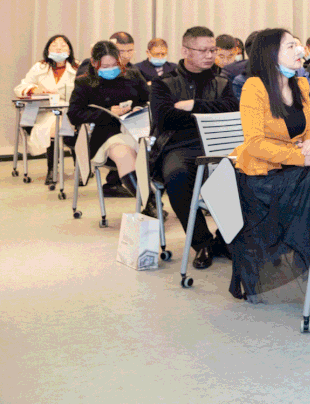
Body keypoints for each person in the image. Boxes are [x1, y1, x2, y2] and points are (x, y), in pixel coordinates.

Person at [228, 28, 310, 307]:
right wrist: (300, 157)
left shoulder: (300, 85)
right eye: (290, 46)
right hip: (263, 177)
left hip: (294, 170)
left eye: (298, 44)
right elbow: (254, 144)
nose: (300, 51)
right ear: (270, 55)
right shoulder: (254, 88)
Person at [148, 26, 238, 264]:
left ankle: (224, 240)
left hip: (218, 144)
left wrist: (193, 106)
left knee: (246, 176)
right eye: (203, 50)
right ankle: (201, 242)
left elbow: (232, 110)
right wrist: (209, 111)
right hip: (178, 146)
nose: (210, 55)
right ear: (185, 51)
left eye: (213, 50)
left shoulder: (222, 81)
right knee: (177, 176)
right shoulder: (163, 83)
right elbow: (165, 118)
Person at [67, 40, 150, 199]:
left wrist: (138, 108)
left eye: (114, 64)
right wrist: (107, 112)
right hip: (104, 134)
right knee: (124, 153)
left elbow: (148, 98)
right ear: (94, 63)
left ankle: (151, 199)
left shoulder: (133, 76)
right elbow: (74, 114)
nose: (111, 69)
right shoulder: (84, 83)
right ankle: (149, 204)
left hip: (135, 128)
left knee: (153, 150)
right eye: (105, 66)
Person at [14, 34, 79, 184]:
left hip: (68, 110)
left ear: (69, 50)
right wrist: (35, 89)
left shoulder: (77, 67)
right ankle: (53, 169)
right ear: (48, 50)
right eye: (54, 45)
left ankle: (72, 168)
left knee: (60, 126)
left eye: (63, 45)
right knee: (54, 126)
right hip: (43, 111)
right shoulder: (40, 67)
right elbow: (20, 87)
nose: (58, 48)